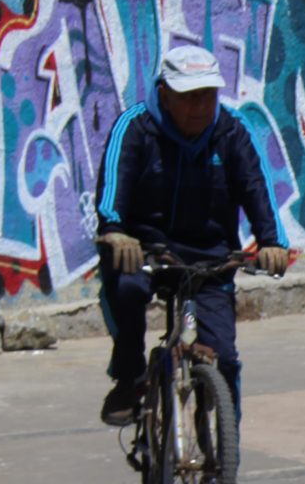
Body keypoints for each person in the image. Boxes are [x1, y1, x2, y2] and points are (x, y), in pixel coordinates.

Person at [95, 44, 289, 436]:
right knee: (126, 288)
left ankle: (222, 473)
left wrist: (272, 242)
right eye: (189, 97)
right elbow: (114, 184)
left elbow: (256, 186)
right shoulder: (135, 127)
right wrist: (115, 230)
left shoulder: (231, 131)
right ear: (164, 93)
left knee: (227, 359)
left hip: (209, 254)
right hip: (145, 249)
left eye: (208, 95)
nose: (200, 106)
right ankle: (130, 376)